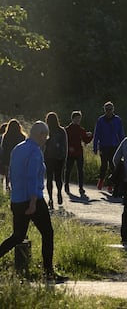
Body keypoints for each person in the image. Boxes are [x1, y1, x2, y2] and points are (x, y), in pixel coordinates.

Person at [0, 121, 68, 283]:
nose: (46, 140)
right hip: (33, 200)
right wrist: (32, 203)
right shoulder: (35, 152)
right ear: (40, 135)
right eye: (45, 137)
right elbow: (31, 178)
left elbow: (13, 174)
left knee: (17, 236)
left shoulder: (18, 149)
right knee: (47, 233)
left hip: (17, 200)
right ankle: (48, 273)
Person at [93, 101, 125, 192]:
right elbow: (97, 134)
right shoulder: (101, 120)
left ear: (113, 109)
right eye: (107, 110)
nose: (109, 111)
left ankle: (111, 184)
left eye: (110, 109)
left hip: (114, 146)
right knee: (103, 165)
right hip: (103, 146)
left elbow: (121, 133)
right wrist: (95, 147)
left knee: (113, 165)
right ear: (105, 110)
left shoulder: (117, 120)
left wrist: (123, 146)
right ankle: (101, 180)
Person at [64, 111, 93, 196]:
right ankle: (66, 185)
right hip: (70, 153)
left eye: (79, 119)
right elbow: (65, 141)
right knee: (68, 170)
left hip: (79, 152)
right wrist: (69, 147)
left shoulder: (81, 129)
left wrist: (90, 136)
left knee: (80, 170)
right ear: (72, 119)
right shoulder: (67, 129)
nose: (78, 120)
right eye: (76, 118)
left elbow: (86, 141)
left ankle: (81, 187)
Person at [44, 112, 67, 209]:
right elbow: (65, 145)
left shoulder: (46, 130)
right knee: (58, 177)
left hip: (48, 157)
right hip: (59, 158)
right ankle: (59, 192)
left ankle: (50, 198)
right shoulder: (61, 130)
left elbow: (42, 144)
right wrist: (65, 157)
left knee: (49, 178)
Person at [0, 119, 27, 192]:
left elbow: (3, 147)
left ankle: (7, 186)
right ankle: (16, 186)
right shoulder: (22, 136)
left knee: (7, 173)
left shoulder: (5, 136)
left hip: (7, 157)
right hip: (19, 157)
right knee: (17, 172)